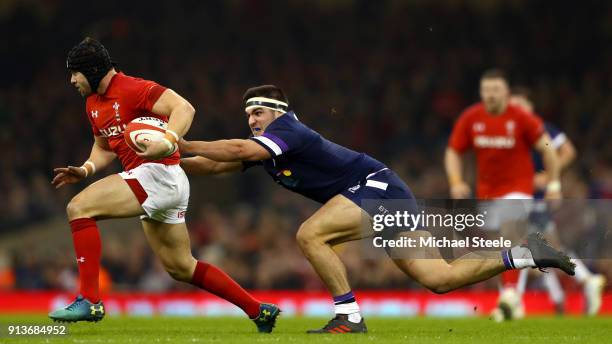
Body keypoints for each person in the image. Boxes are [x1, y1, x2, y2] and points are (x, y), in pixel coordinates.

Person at [179, 84, 575, 334]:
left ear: (277, 112)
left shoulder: (286, 131)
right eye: (247, 114)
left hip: (375, 188)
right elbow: (217, 164)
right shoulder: (267, 146)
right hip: (388, 191)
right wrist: (169, 159)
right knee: (440, 279)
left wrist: (180, 141)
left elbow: (232, 150)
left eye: (257, 112)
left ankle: (349, 316)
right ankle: (526, 254)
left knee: (310, 234)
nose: (251, 119)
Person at [48, 38, 279, 333]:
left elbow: (184, 108)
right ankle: (259, 310)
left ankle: (90, 300)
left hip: (159, 172)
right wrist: (85, 168)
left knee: (79, 207)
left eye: (74, 73)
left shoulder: (133, 88)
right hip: (159, 181)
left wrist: (168, 141)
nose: (71, 80)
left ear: (91, 71)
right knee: (182, 267)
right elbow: (104, 146)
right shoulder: (92, 103)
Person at [444, 69, 563, 321]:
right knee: (496, 248)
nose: (491, 95)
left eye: (496, 90)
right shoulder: (471, 117)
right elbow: (453, 151)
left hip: (518, 190)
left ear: (506, 93)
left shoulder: (520, 117)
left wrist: (553, 184)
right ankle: (512, 301)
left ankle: (510, 294)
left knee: (510, 233)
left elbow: (548, 149)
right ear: (481, 92)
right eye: (486, 90)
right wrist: (456, 181)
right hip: (487, 194)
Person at [510, 88, 606, 316]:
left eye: (520, 106)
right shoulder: (513, 136)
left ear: (530, 108)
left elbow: (568, 151)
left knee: (525, 245)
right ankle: (567, 290)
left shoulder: (539, 130)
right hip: (520, 198)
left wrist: (549, 177)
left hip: (534, 199)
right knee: (536, 247)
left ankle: (516, 299)